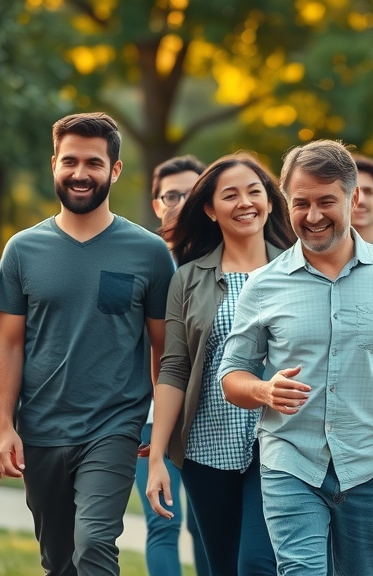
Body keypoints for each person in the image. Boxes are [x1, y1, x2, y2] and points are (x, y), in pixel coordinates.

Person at [219, 139, 373, 576]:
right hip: (290, 459)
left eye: (326, 201)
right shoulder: (263, 284)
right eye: (301, 203)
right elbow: (232, 374)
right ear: (286, 203)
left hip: (371, 464)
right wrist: (263, 389)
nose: (313, 216)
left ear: (354, 198)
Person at [0, 112, 173, 576]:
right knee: (59, 560)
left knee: (94, 543)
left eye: (93, 163)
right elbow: (9, 345)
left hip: (113, 425)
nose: (79, 173)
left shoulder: (149, 253)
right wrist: (5, 424)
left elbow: (165, 350)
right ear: (54, 164)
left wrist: (158, 427)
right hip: (41, 428)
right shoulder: (22, 250)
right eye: (69, 161)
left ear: (114, 170)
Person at [144, 153, 296, 576]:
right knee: (223, 567)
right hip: (207, 448)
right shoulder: (188, 278)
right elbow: (173, 367)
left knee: (258, 565)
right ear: (210, 210)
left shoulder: (299, 269)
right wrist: (158, 457)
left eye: (254, 191)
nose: (245, 202)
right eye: (230, 195)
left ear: (269, 201)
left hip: (282, 443)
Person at [138, 154, 210, 576]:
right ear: (156, 203)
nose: (180, 203)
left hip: (209, 416)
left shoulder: (225, 259)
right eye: (172, 195)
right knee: (162, 522)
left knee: (207, 526)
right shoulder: (143, 260)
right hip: (149, 417)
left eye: (191, 193)